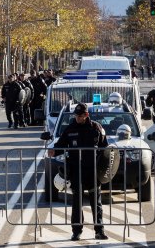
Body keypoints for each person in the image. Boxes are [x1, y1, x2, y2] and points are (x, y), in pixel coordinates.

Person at [48, 103, 109, 241]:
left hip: (93, 171)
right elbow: (61, 144)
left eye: (80, 116)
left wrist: (104, 168)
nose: (77, 118)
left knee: (96, 202)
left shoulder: (97, 128)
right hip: (77, 171)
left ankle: (99, 231)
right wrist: (54, 151)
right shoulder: (70, 129)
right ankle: (76, 231)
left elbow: (105, 149)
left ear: (86, 115)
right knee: (77, 203)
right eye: (76, 115)